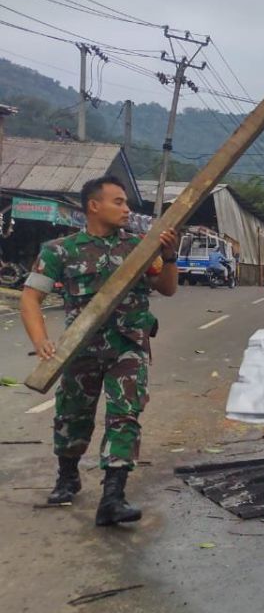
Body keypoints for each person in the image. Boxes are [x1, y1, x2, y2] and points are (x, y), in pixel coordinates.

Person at [20, 175, 179, 526]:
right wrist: (41, 341)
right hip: (81, 348)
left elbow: (167, 289)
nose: (126, 209)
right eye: (118, 202)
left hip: (128, 346)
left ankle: (113, 495)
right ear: (94, 205)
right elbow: (31, 298)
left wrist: (169, 258)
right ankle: (68, 476)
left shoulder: (140, 247)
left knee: (125, 415)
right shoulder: (60, 250)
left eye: (126, 202)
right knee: (72, 414)